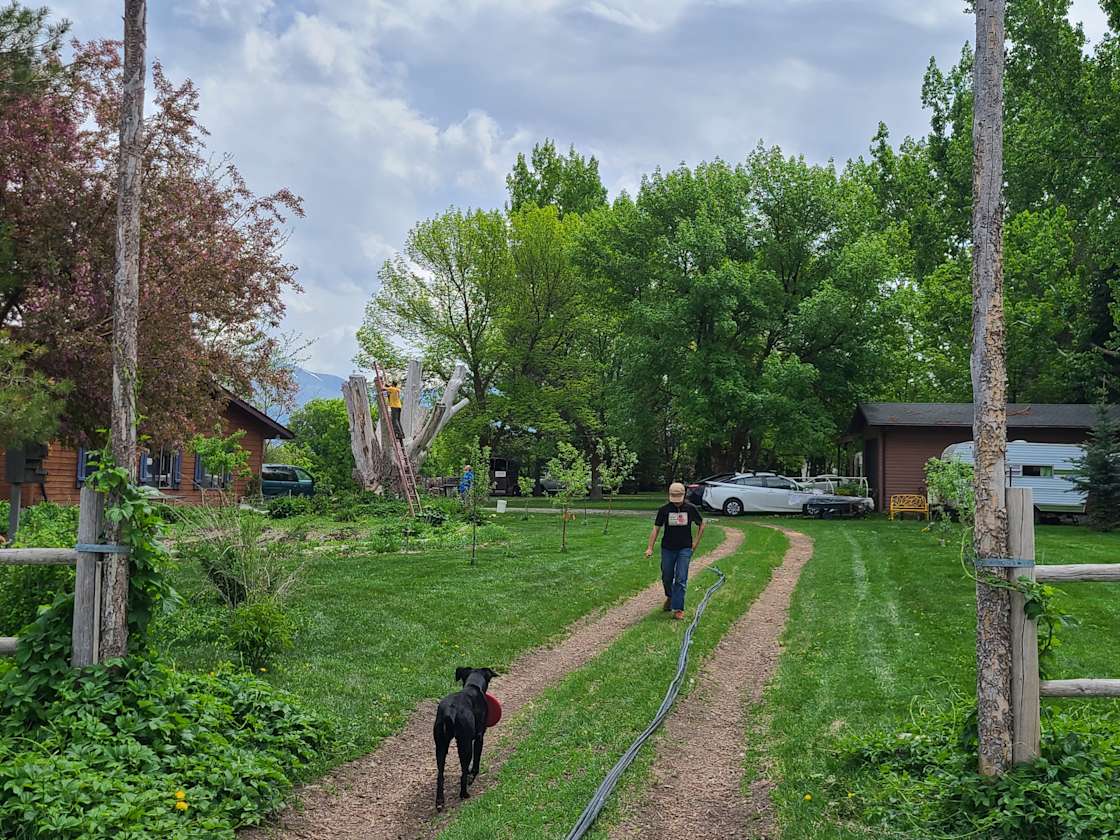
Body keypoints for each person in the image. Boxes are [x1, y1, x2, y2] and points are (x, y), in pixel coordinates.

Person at [645, 481, 705, 620]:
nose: (677, 503)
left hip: (684, 548)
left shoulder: (690, 508)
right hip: (668, 548)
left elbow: (701, 524)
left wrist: (695, 543)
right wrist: (650, 547)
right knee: (667, 576)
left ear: (684, 496)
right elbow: (656, 529)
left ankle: (678, 608)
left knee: (680, 578)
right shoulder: (664, 510)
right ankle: (670, 597)